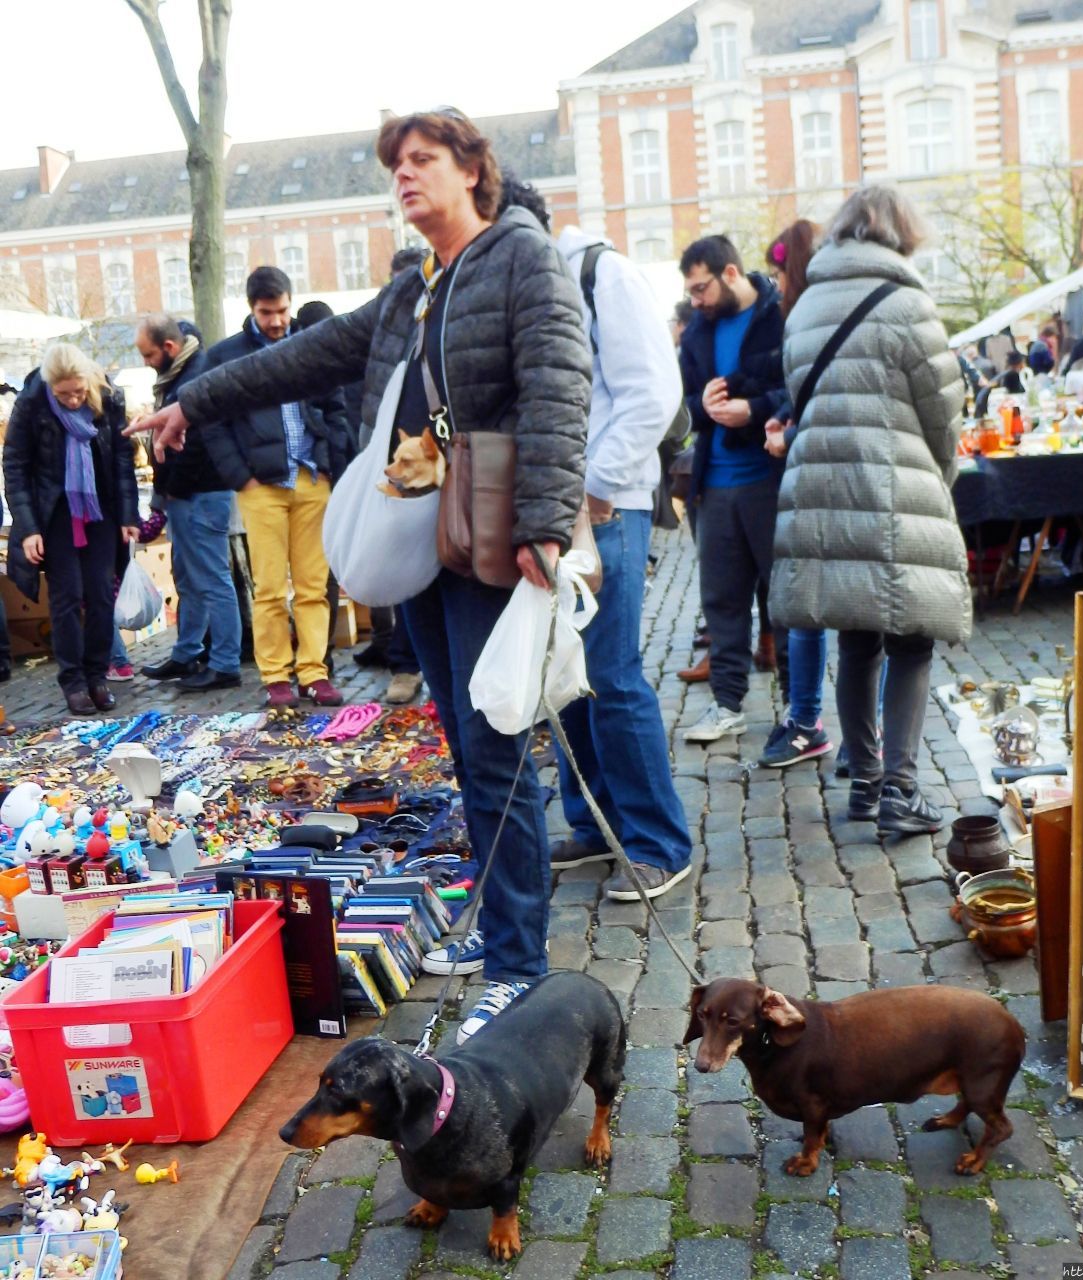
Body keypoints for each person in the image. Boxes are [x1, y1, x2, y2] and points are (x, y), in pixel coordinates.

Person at [128, 108, 591, 1041]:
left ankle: (520, 963)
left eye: (424, 161)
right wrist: (190, 400)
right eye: (398, 166)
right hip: (418, 535)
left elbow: (558, 382)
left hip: (490, 534)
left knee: (497, 746)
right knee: (462, 738)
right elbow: (308, 356)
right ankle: (504, 931)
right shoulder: (417, 281)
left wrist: (546, 523)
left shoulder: (519, 257)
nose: (406, 177)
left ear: (472, 171)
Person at [498, 181, 693, 901]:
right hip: (554, 509)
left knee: (610, 677)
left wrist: (596, 489)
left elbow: (651, 391)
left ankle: (657, 842)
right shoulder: (532, 286)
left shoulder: (601, 272)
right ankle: (596, 823)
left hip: (603, 507)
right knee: (567, 680)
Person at [770, 186, 970, 836]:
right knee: (911, 640)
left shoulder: (803, 309)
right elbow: (943, 416)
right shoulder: (907, 304)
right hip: (891, 487)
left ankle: (864, 780)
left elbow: (803, 398)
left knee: (856, 638)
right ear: (901, 235)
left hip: (822, 492)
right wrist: (939, 481)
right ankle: (901, 794)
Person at [198, 265, 350, 708]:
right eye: (268, 313)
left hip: (310, 478)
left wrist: (329, 463)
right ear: (251, 308)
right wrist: (239, 476)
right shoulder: (227, 355)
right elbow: (212, 421)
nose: (278, 320)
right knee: (267, 587)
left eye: (282, 310)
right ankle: (276, 676)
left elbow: (335, 407)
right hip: (260, 485)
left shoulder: (311, 346)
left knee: (313, 585)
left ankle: (314, 671)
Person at [677, 235, 788, 743]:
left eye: (701, 288)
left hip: (769, 477)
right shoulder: (697, 332)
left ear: (729, 273)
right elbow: (681, 406)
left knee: (783, 598)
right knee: (721, 599)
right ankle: (727, 704)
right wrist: (701, 403)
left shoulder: (778, 314)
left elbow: (797, 386)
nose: (695, 301)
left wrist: (755, 410)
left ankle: (796, 707)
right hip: (714, 484)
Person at [4, 343, 139, 714]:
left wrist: (129, 515)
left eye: (79, 391)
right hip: (56, 514)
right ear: (50, 386)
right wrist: (29, 528)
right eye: (64, 394)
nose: (74, 399)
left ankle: (97, 676)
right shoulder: (32, 403)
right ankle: (73, 681)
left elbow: (122, 460)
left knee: (100, 595)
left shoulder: (108, 398)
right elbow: (15, 467)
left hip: (101, 509)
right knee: (66, 598)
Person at [758, 220, 834, 770]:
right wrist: (781, 420)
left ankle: (813, 721)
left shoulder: (817, 316)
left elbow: (824, 401)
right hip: (816, 477)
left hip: (827, 478)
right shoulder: (806, 318)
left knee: (819, 605)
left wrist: (786, 432)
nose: (775, 282)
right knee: (812, 604)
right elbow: (799, 393)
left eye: (779, 271)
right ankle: (810, 718)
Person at [134, 312, 242, 692]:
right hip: (185, 493)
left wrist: (171, 491)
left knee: (212, 579)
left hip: (200, 492)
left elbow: (199, 443)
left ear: (169, 347)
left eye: (148, 355)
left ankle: (226, 662)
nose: (145, 363)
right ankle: (187, 652)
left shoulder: (195, 375)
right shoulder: (178, 374)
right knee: (190, 579)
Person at [348, 248, 427, 705]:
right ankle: (404, 663)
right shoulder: (381, 329)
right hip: (394, 474)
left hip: (446, 475)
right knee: (405, 580)